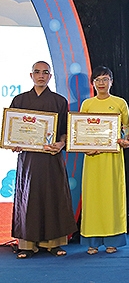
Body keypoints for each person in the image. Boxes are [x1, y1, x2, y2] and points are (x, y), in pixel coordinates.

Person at [9, 61, 77, 259]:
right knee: (28, 198)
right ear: (31, 76)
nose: (41, 76)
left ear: (50, 76)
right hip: (29, 159)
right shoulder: (20, 100)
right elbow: (13, 131)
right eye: (37, 72)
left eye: (45, 72)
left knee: (53, 196)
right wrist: (14, 142)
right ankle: (27, 245)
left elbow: (64, 131)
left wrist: (61, 144)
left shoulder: (59, 101)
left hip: (51, 158)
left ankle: (54, 243)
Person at [80, 65, 129, 255]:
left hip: (112, 157)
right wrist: (84, 147)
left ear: (111, 81)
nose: (101, 83)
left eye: (105, 79)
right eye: (98, 80)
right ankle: (92, 242)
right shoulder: (87, 104)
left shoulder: (120, 103)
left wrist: (126, 141)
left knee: (112, 197)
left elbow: (128, 128)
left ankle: (113, 240)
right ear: (93, 83)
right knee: (93, 198)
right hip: (92, 158)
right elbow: (80, 132)